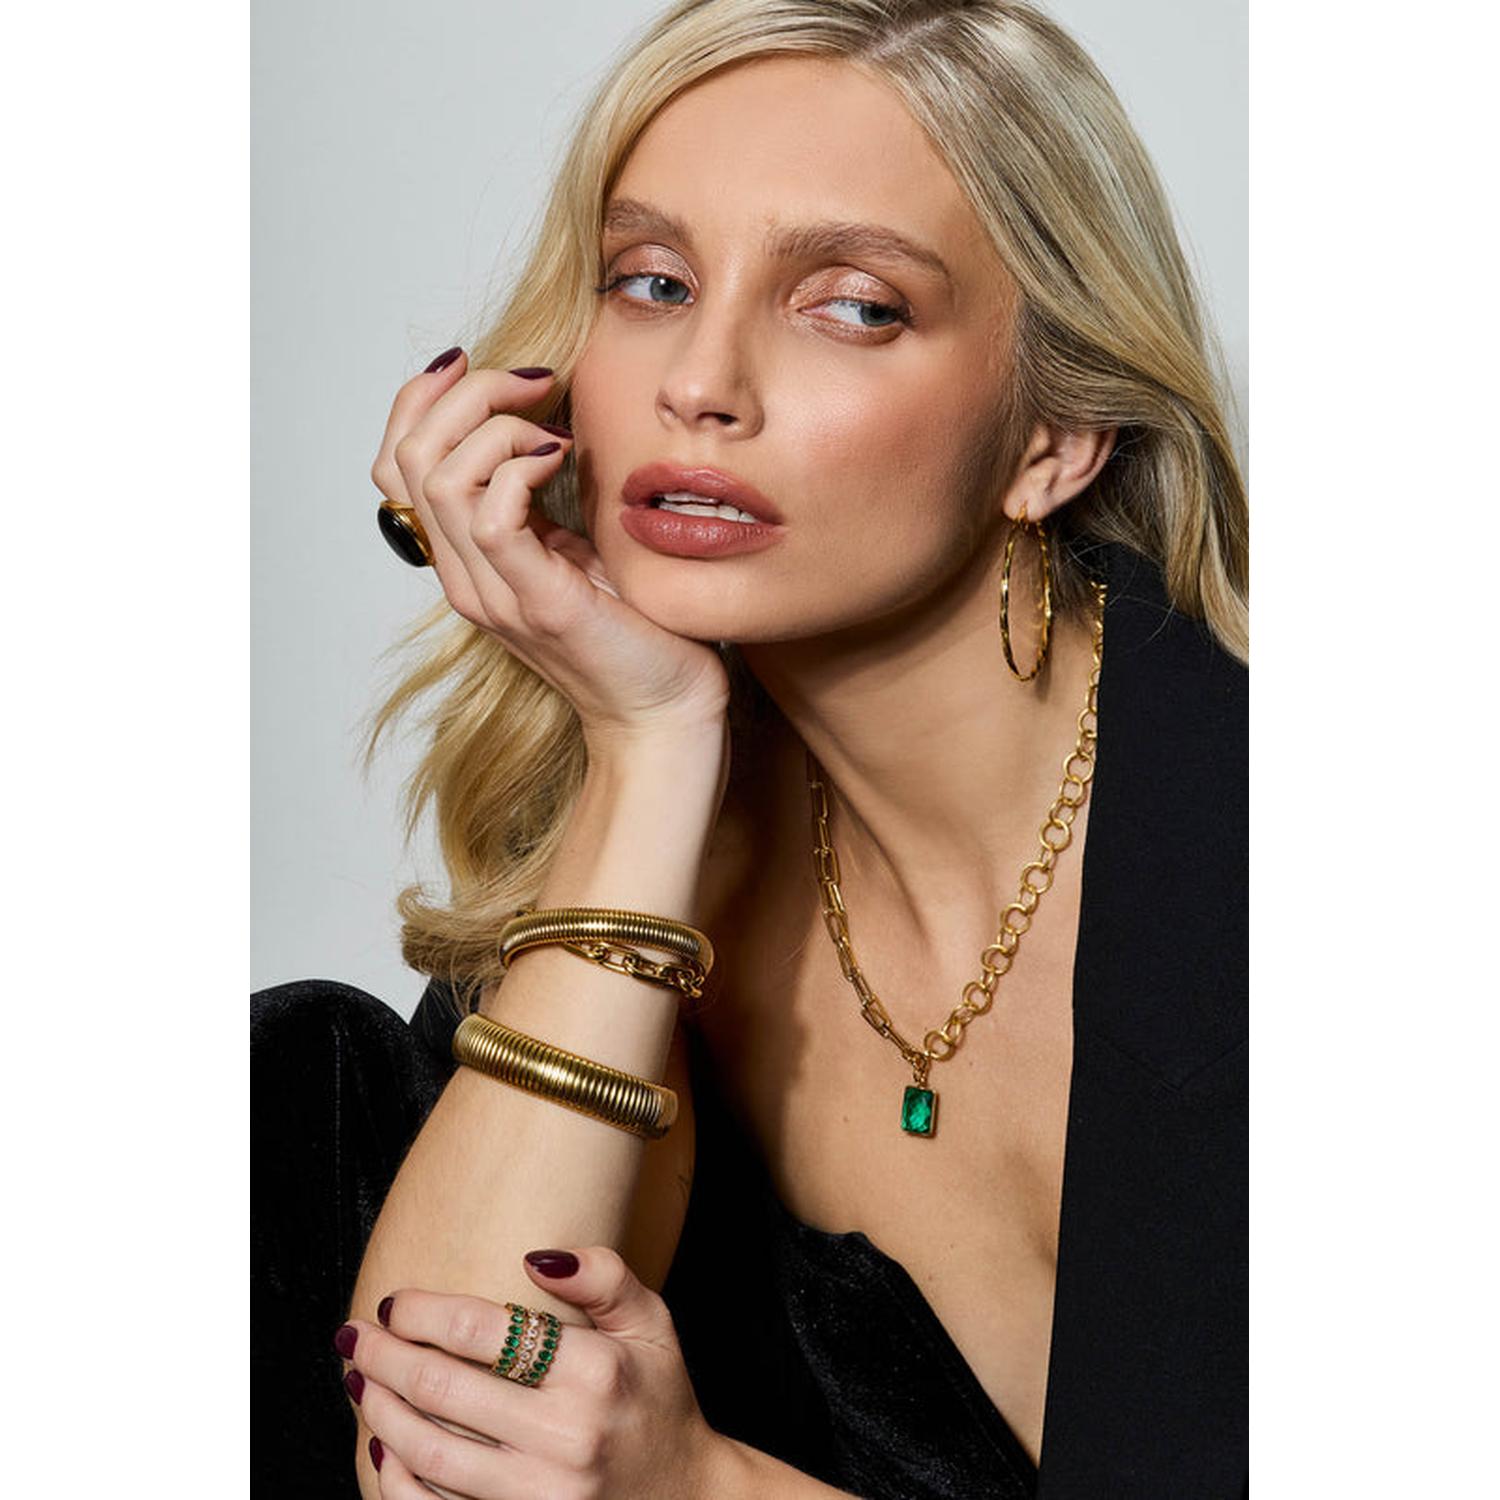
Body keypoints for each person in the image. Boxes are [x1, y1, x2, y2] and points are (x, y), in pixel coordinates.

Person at [252, 1, 1247, 1495]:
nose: (701, 382)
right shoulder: (671, 845)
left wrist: (710, 1488)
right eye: (651, 282)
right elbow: (439, 1449)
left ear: (1053, 439)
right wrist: (648, 741)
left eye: (852, 305)